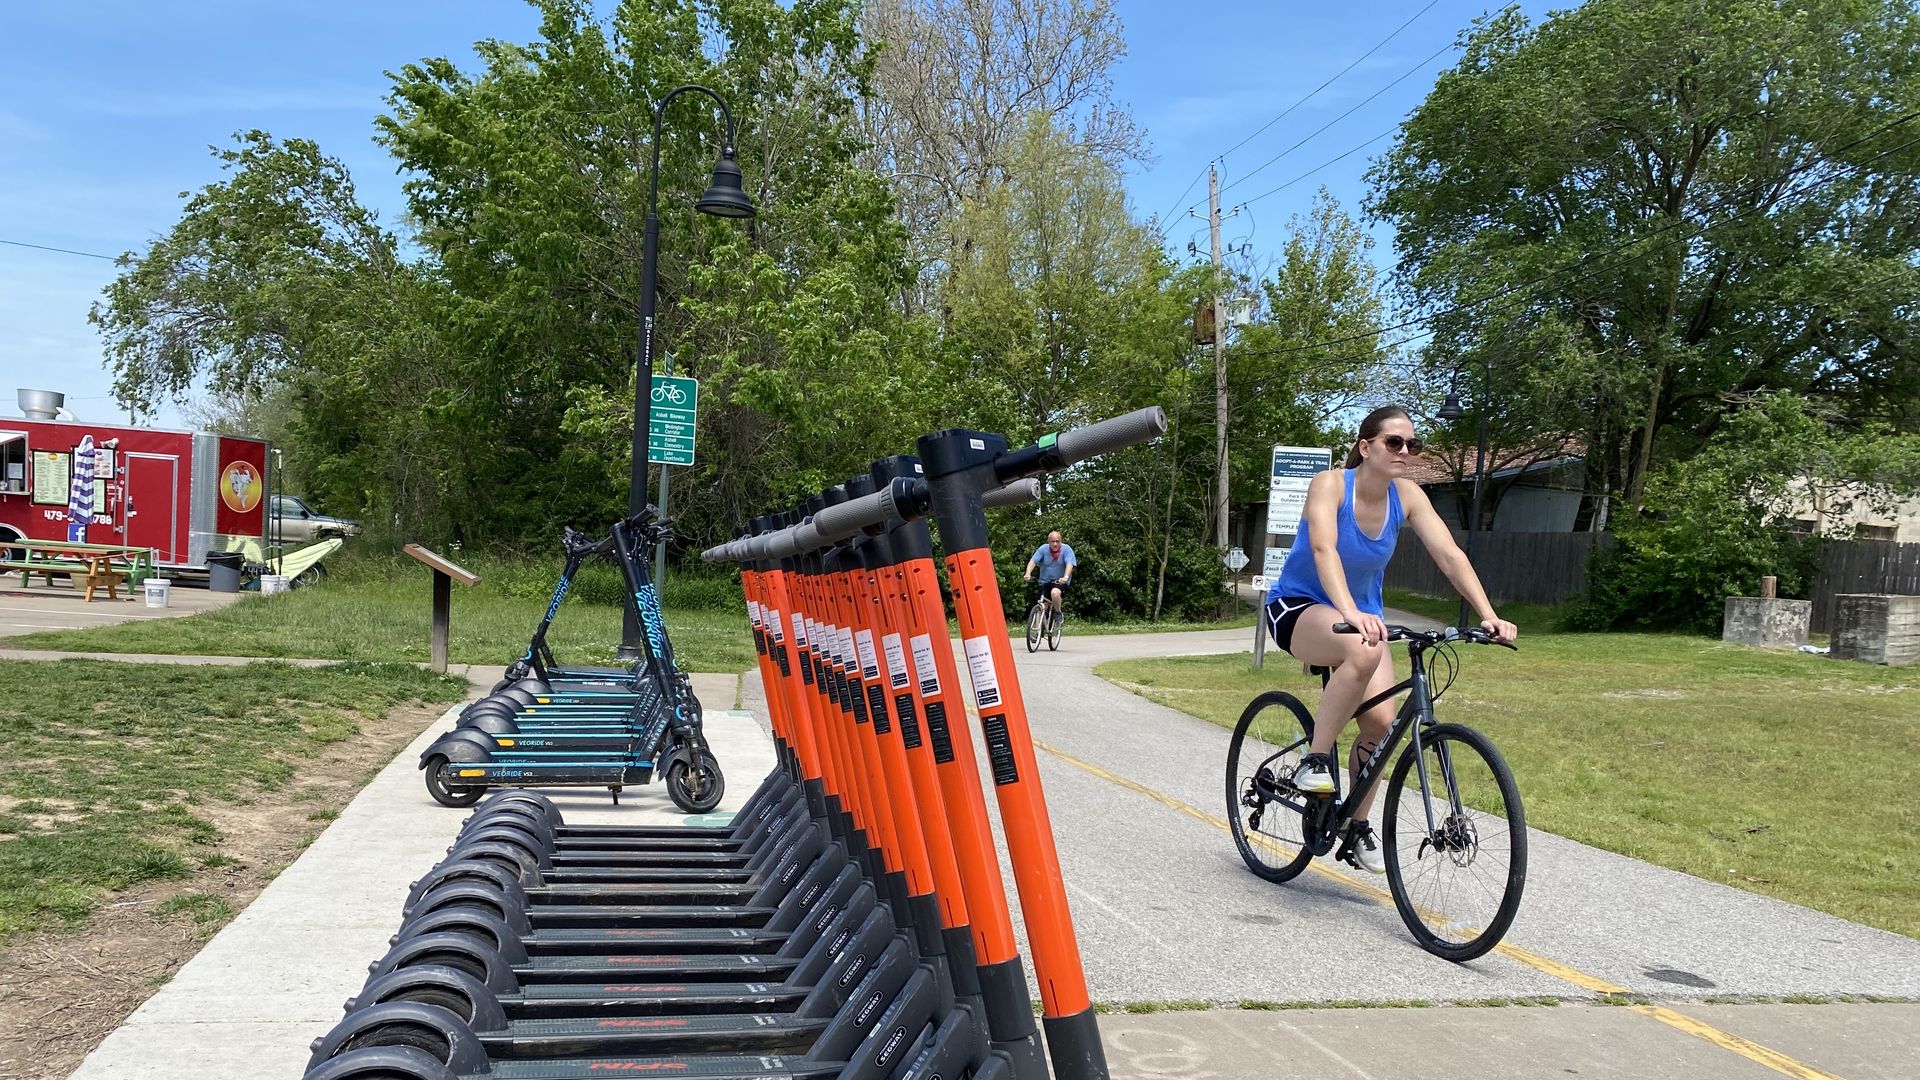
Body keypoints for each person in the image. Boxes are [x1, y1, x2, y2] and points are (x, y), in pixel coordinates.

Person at [1264, 405, 1517, 874]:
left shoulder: (1409, 495)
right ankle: (1315, 760)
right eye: (1394, 442)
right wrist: (1350, 612)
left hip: (1364, 622)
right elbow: (1323, 549)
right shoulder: (1332, 484)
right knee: (1364, 647)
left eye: (1413, 444)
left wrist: (1489, 615)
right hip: (1298, 608)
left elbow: (1448, 554)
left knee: (1379, 728)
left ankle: (1356, 826)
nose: (1405, 451)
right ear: (1366, 447)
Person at [1023, 530, 1076, 613]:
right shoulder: (1043, 549)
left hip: (1060, 582)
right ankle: (1037, 624)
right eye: (1052, 541)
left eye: (1057, 541)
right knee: (1041, 606)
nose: (1055, 544)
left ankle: (1058, 612)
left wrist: (1065, 577)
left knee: (1054, 593)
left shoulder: (1066, 549)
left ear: (1061, 541)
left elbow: (1069, 564)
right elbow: (1033, 561)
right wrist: (1028, 573)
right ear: (1048, 542)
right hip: (1044, 582)